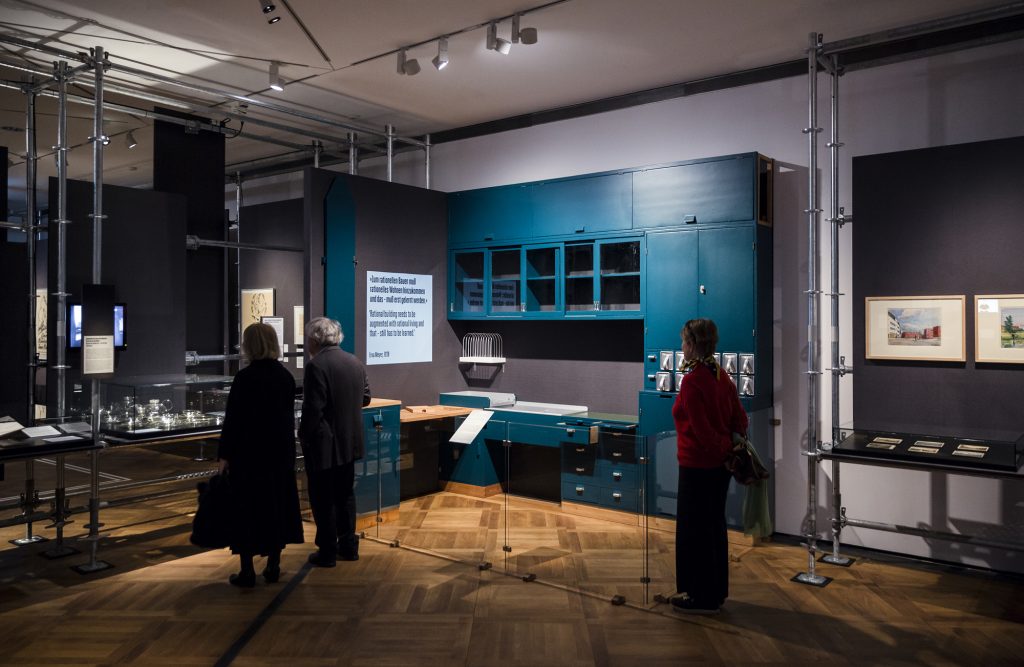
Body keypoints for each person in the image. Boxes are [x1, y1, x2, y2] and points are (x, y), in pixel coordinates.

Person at [217, 322, 304, 588]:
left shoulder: (245, 378)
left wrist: (225, 455)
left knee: (247, 510)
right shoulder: (285, 376)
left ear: (249, 345)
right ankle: (273, 565)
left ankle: (246, 571)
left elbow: (233, 421)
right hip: (279, 455)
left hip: (249, 457)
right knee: (276, 507)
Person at [671, 318, 748, 614]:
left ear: (692, 345)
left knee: (694, 532)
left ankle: (698, 595)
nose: (682, 347)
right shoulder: (721, 376)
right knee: (714, 528)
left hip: (696, 466)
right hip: (719, 469)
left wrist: (720, 450)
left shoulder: (692, 381)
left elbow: (701, 432)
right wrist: (729, 452)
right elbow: (740, 419)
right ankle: (715, 592)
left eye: (684, 342)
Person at [299, 317, 371, 567]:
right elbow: (366, 398)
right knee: (345, 495)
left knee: (322, 499)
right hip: (349, 442)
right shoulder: (355, 361)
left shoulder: (316, 366)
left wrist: (302, 436)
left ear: (315, 339)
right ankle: (349, 545)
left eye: (308, 338)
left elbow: (313, 409)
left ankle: (327, 551)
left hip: (324, 446)